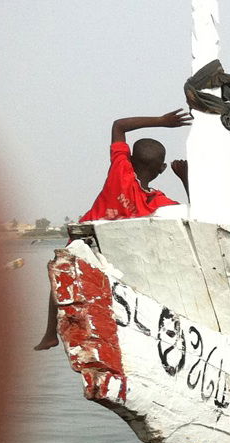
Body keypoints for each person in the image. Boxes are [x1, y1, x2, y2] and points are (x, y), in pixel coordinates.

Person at [36, 109, 191, 350]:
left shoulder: (120, 172)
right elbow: (195, 215)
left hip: (85, 243)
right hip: (118, 260)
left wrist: (162, 122)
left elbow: (119, 125)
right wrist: (185, 178)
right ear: (161, 169)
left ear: (129, 160)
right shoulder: (156, 202)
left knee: (61, 274)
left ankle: (49, 333)